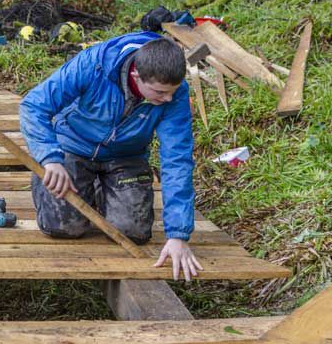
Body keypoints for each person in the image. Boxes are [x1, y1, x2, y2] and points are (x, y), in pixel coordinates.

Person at [19, 32, 203, 281]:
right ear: (136, 76)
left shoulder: (174, 94)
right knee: (62, 226)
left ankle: (100, 189)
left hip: (126, 155)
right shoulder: (93, 64)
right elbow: (34, 105)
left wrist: (178, 235)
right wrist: (50, 159)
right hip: (74, 146)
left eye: (172, 92)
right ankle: (85, 184)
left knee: (133, 232)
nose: (167, 99)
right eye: (160, 92)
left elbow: (176, 160)